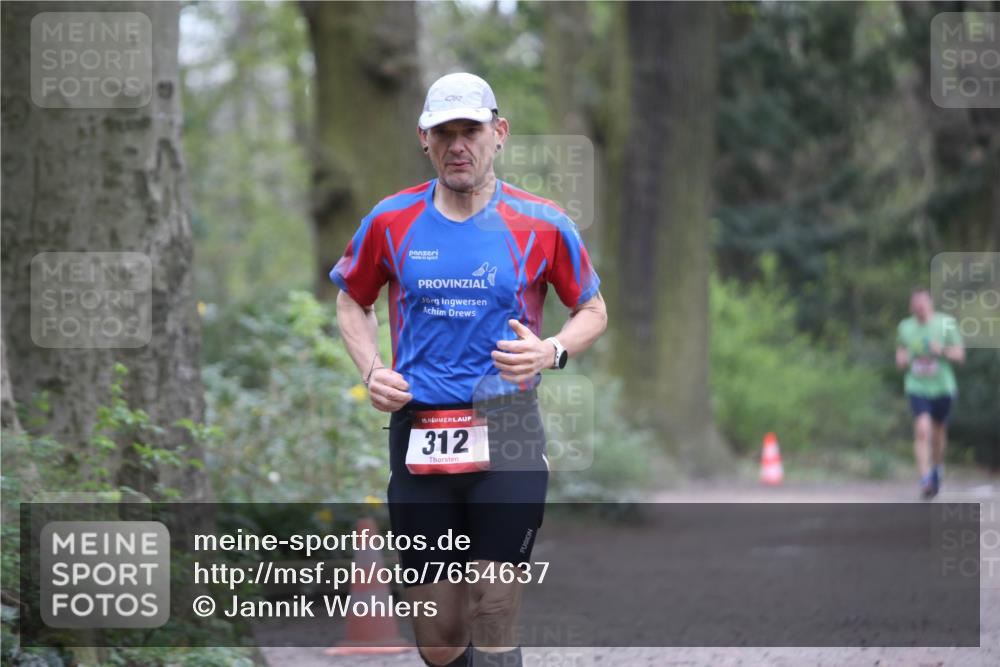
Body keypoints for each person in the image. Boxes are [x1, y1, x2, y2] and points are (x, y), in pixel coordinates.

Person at [331, 72, 607, 667]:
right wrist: (371, 368)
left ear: (498, 133)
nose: (459, 145)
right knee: (439, 635)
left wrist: (552, 350)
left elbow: (591, 308)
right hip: (420, 429)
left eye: (471, 131)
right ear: (423, 139)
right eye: (444, 133)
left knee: (494, 600)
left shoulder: (542, 222)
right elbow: (352, 298)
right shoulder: (389, 220)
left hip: (507, 425)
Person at [895, 288, 964, 499]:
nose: (920, 310)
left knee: (938, 432)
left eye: (923, 305)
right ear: (911, 308)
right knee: (923, 429)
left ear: (931, 304)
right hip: (917, 387)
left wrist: (940, 351)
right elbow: (900, 356)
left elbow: (959, 355)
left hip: (943, 387)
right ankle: (925, 478)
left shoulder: (946, 323)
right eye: (916, 307)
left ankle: (936, 468)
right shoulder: (905, 327)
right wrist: (904, 359)